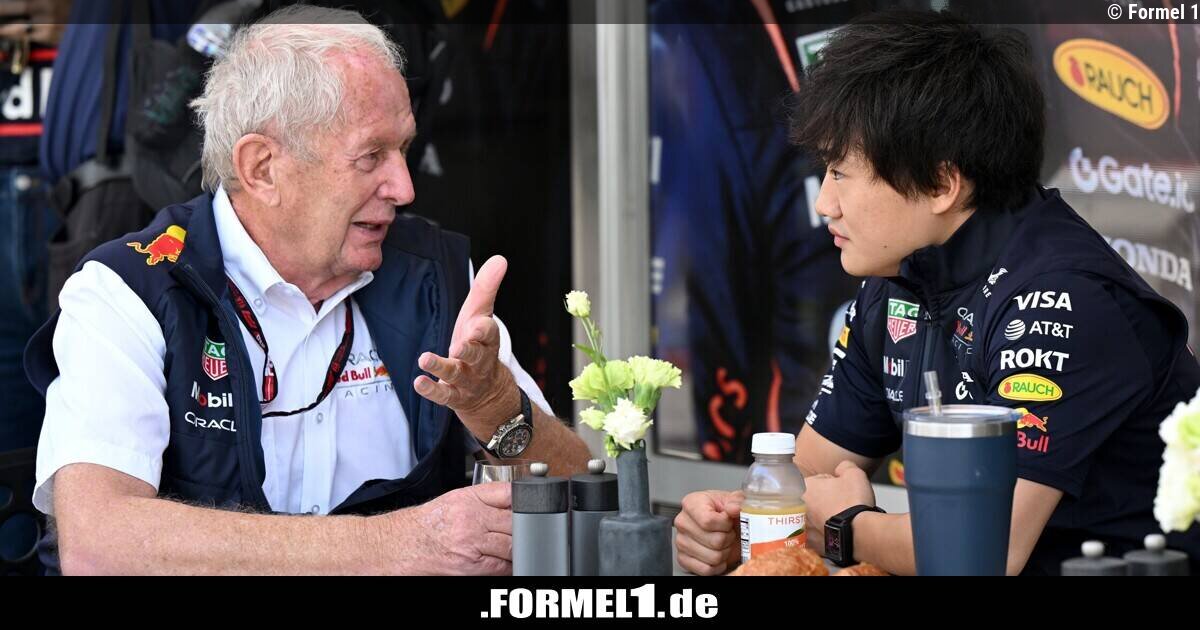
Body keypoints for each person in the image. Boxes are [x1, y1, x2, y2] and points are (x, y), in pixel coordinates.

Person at [23, 5, 591, 575]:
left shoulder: (433, 276)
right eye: (371, 156)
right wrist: (403, 544)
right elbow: (99, 544)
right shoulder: (130, 290)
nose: (404, 187)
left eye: (404, 149)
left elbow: (579, 499)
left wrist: (496, 408)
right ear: (262, 168)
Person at [673, 10, 1200, 576]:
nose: (824, 203)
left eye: (841, 173)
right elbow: (806, 474)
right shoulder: (898, 280)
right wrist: (736, 518)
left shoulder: (1063, 299)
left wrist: (847, 526)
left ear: (942, 184)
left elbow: (986, 550)